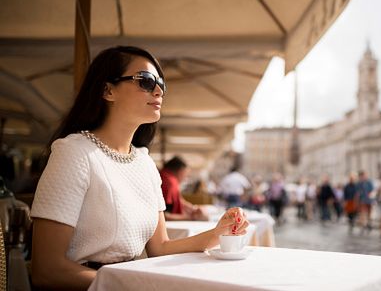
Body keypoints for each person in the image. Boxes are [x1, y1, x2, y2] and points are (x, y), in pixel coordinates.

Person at [29, 46, 249, 290]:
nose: (158, 90)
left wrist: (218, 233)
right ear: (107, 90)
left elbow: (160, 247)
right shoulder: (74, 153)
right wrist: (132, 285)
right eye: (145, 81)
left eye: (161, 84)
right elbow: (46, 269)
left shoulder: (144, 163)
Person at [159, 156, 208, 221]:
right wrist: (192, 218)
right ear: (180, 171)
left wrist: (193, 208)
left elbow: (178, 200)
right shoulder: (170, 183)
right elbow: (164, 216)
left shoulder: (163, 175)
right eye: (186, 174)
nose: (185, 178)